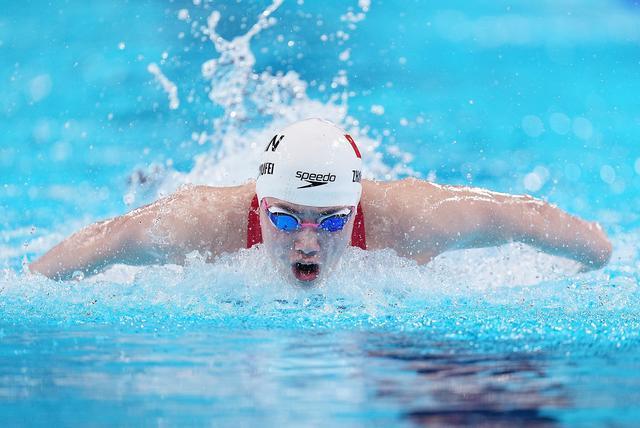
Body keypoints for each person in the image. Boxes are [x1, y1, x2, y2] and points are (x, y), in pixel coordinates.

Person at [30, 118, 612, 284]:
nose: (307, 241)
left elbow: (523, 217)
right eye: (285, 217)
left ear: (356, 211)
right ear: (260, 206)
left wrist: (601, 259)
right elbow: (107, 239)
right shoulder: (203, 223)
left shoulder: (412, 218)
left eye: (332, 221)